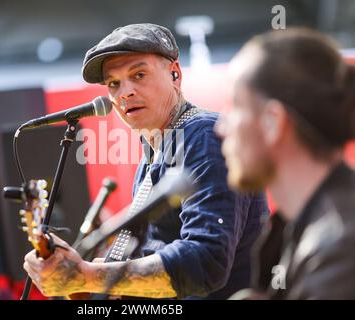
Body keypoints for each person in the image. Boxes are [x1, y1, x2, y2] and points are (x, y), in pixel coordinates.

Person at [24, 23, 268, 299]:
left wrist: (89, 275)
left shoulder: (202, 135)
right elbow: (158, 264)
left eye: (138, 74)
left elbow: (206, 261)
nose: (124, 92)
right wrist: (85, 280)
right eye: (113, 83)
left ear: (175, 74)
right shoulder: (152, 159)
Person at [215, 28, 355, 299]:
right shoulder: (306, 229)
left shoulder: (340, 246)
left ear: (272, 122)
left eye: (235, 105)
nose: (222, 127)